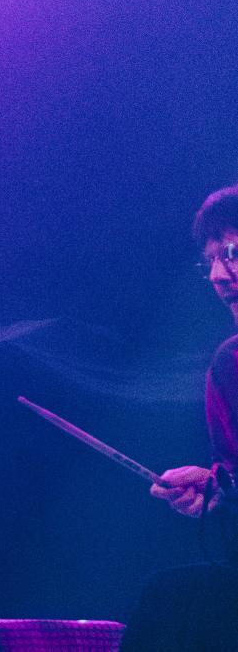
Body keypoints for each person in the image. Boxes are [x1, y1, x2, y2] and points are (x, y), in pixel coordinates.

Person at [121, 185, 238, 651]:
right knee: (169, 602)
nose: (217, 275)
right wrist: (214, 489)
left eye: (230, 252)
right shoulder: (229, 366)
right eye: (208, 261)